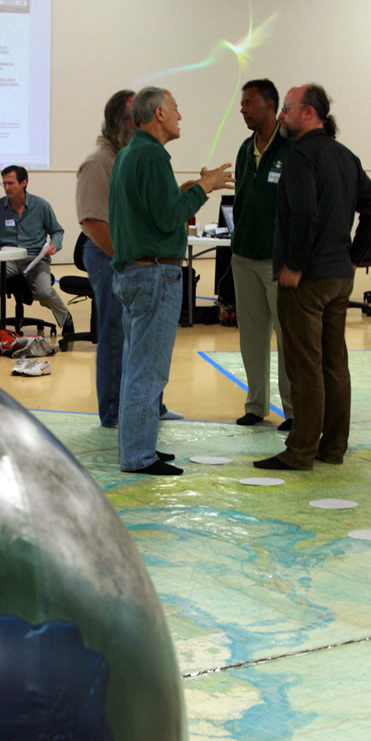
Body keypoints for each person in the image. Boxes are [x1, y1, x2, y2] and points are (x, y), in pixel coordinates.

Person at [253, 83, 371, 471]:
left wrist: (294, 263)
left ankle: (301, 451)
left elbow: (306, 215)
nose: (280, 116)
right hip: (338, 277)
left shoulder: (299, 158)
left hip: (306, 281)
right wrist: (355, 257)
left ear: (309, 112)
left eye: (287, 109)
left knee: (304, 365)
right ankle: (333, 448)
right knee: (334, 364)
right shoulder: (346, 157)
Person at [109, 86, 234, 475]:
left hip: (133, 273)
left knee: (137, 367)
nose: (181, 116)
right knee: (149, 372)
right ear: (159, 114)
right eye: (176, 109)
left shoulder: (131, 154)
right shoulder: (152, 155)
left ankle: (138, 444)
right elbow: (168, 218)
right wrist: (204, 188)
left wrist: (188, 189)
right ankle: (138, 456)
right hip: (154, 275)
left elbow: (153, 208)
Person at [76, 90, 183, 428]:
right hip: (111, 254)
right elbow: (92, 222)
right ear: (121, 123)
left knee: (143, 342)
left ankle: (148, 408)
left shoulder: (134, 155)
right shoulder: (99, 162)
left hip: (130, 255)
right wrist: (128, 257)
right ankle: (114, 412)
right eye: (133, 119)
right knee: (115, 338)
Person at [231, 79, 294, 431]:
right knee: (251, 337)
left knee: (287, 338)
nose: (242, 109)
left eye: (249, 103)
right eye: (242, 103)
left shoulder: (291, 148)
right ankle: (256, 405)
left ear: (270, 105)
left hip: (278, 262)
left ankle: (293, 410)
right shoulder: (245, 149)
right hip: (244, 257)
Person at [0, 166, 74, 337]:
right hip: (9, 260)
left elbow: (57, 231)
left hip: (35, 259)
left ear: (24, 183)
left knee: (44, 292)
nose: (7, 187)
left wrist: (54, 245)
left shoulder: (41, 206)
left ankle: (65, 318)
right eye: (4, 183)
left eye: (11, 183)